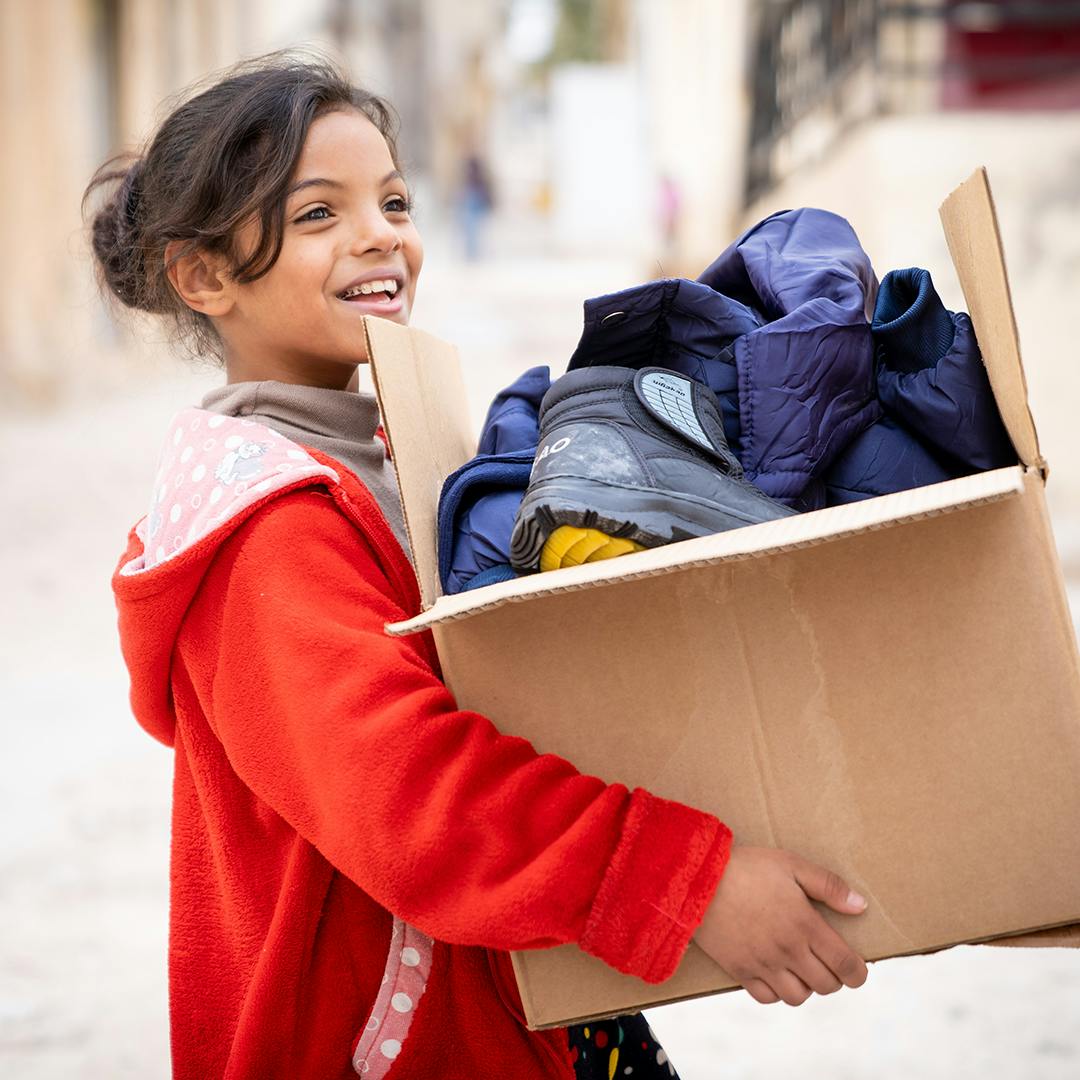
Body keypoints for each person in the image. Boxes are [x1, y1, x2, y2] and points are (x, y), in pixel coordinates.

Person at [86, 51, 870, 1080]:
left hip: (503, 1000)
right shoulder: (265, 531)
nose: (383, 236)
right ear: (203, 275)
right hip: (384, 1041)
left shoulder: (391, 452)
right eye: (318, 214)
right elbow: (407, 795)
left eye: (395, 200)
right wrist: (687, 881)